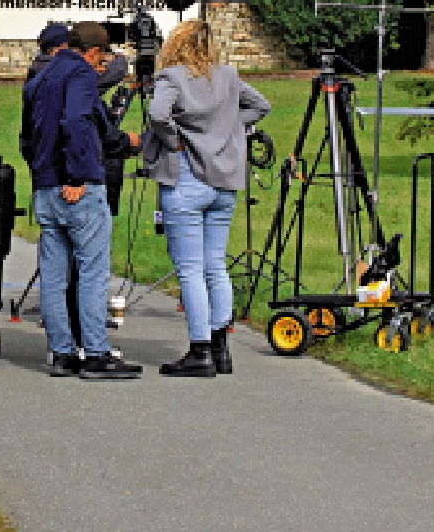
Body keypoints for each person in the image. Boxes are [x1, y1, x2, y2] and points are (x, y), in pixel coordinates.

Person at [143, 19, 270, 377]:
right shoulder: (227, 76)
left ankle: (199, 350)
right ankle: (220, 347)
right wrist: (229, 129)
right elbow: (261, 106)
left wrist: (173, 139)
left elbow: (157, 115)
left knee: (190, 269)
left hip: (186, 177)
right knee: (215, 265)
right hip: (223, 182)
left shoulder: (172, 78)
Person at [21, 21, 142, 379]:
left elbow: (27, 138)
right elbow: (74, 121)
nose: (102, 65)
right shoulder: (82, 75)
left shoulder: (39, 76)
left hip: (45, 186)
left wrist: (45, 176)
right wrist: (75, 175)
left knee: (54, 275)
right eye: (102, 57)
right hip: (77, 187)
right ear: (93, 52)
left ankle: (61, 352)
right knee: (91, 271)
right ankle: (95, 352)